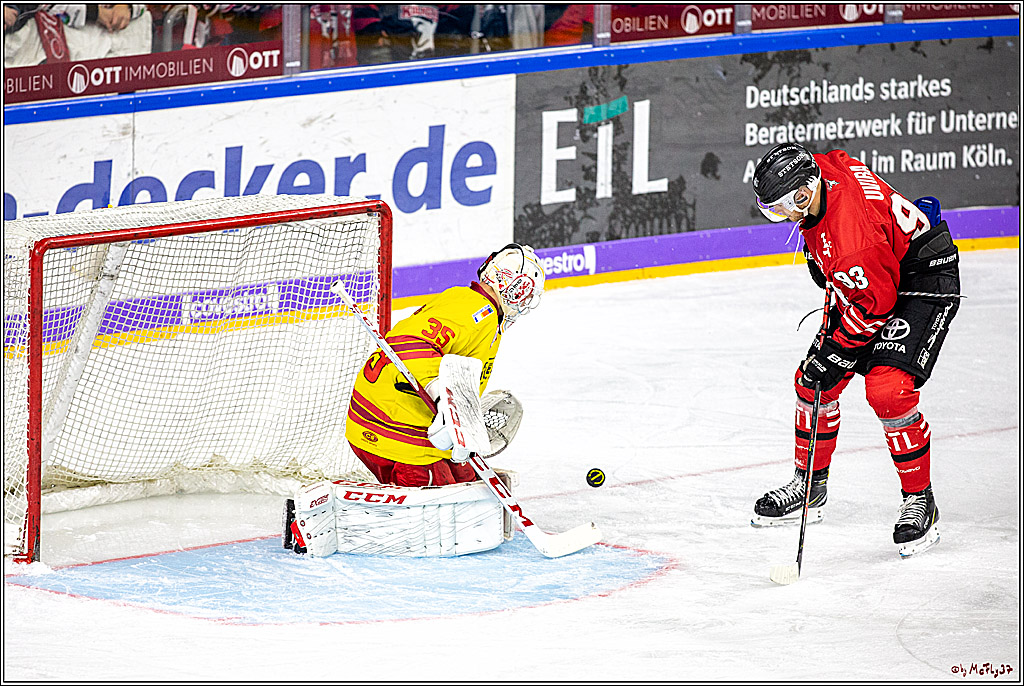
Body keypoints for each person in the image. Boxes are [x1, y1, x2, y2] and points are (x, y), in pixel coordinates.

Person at [749, 142, 960, 557]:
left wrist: (837, 355)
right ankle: (809, 487)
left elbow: (874, 307)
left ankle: (921, 501)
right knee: (811, 384)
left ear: (804, 193)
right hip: (877, 269)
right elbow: (843, 160)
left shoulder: (853, 242)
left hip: (919, 281)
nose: (783, 218)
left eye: (781, 209)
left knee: (887, 391)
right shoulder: (822, 170)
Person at [345, 243, 545, 487]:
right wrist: (443, 400)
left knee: (468, 482)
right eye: (524, 294)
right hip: (395, 430)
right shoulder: (477, 312)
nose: (524, 303)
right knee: (445, 509)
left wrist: (455, 409)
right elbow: (406, 344)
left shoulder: (473, 305)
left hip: (396, 419)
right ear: (514, 289)